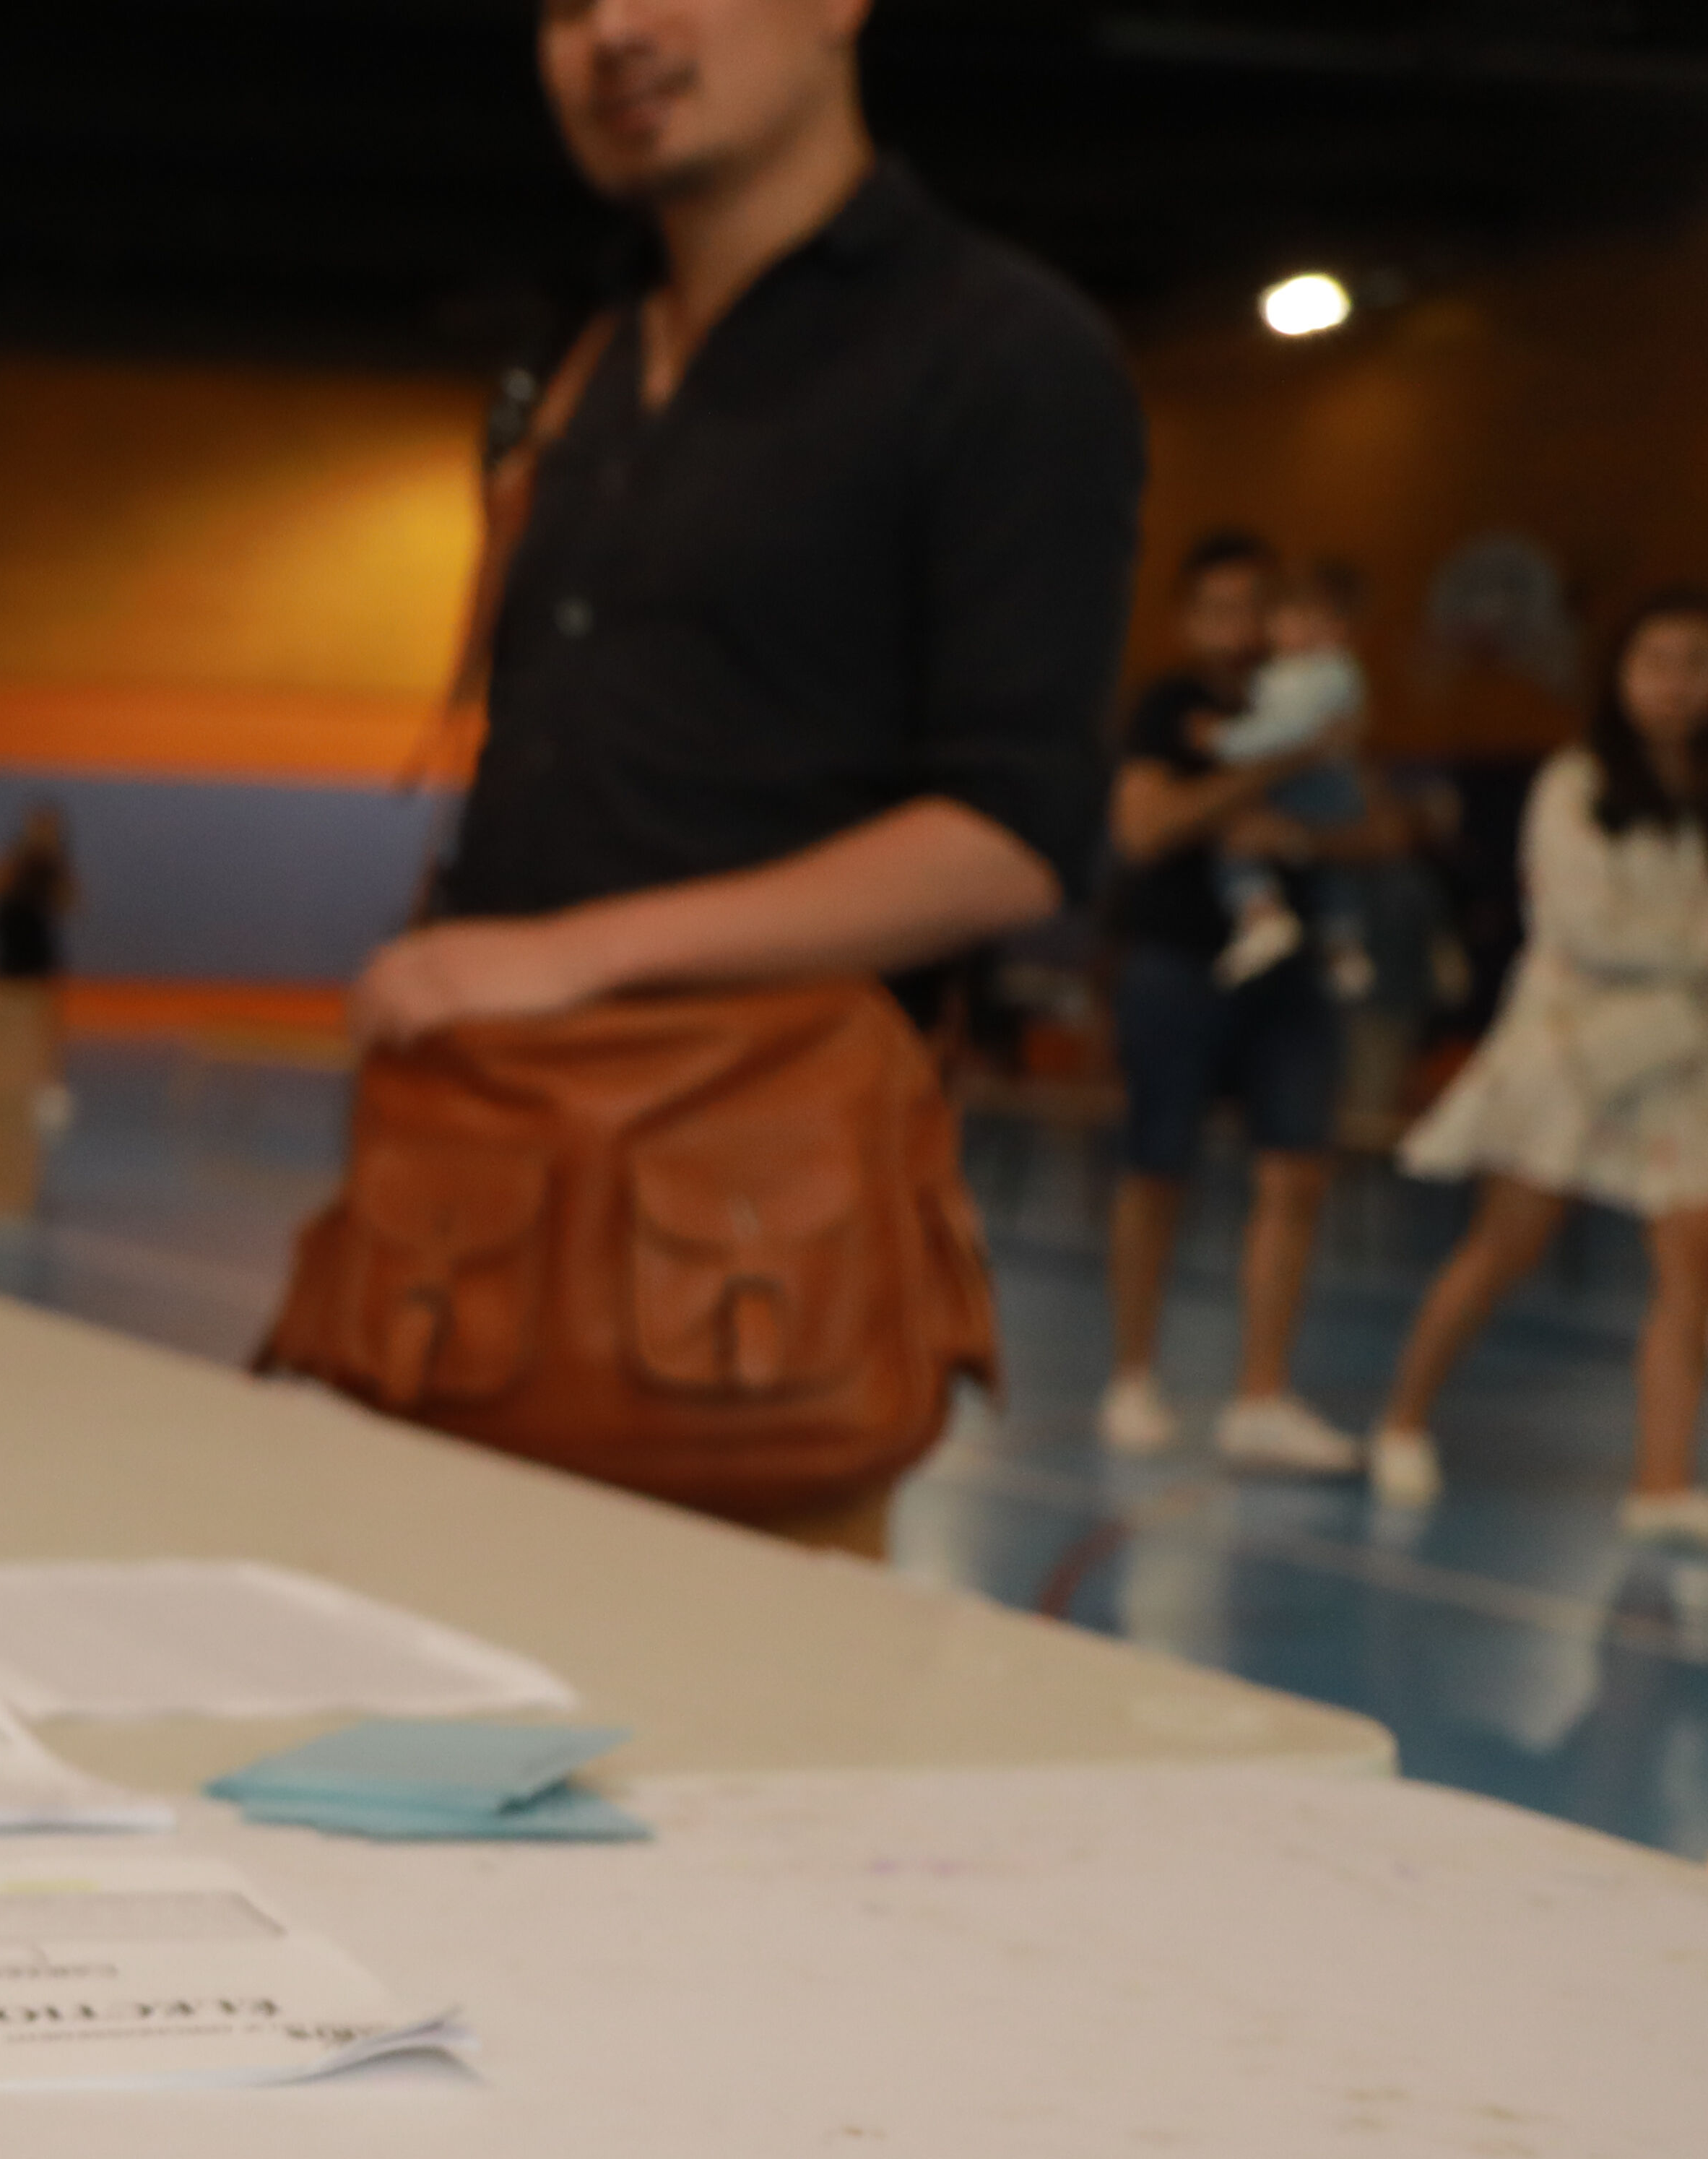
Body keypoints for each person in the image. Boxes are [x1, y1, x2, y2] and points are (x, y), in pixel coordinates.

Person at [339, 0, 1145, 1556]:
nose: (614, 32)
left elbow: (1012, 836)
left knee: (749, 1758)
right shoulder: (571, 364)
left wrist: (563, 958)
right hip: (486, 1206)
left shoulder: (1003, 352)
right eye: (567, 8)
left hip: (748, 1249)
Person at [1369, 586, 1708, 1549]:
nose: (1676, 686)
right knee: (1503, 1249)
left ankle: (1662, 1484)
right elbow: (1587, 928)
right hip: (1573, 1051)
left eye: (1695, 664)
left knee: (1693, 1265)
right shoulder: (1572, 785)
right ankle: (1401, 1420)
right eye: (1656, 663)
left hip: (1691, 1057)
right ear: (1619, 677)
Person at [1104, 530, 1384, 1474]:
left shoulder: (1315, 690)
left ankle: (1260, 1394)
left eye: (1252, 610)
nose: (1237, 630)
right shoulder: (1172, 709)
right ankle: (1133, 1375)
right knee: (1158, 1171)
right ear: (1187, 622)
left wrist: (1301, 834)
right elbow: (1146, 828)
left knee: (1296, 1174)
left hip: (1294, 970)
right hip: (1181, 965)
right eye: (1215, 611)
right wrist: (1266, 771)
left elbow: (1373, 828)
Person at [1205, 564, 1377, 997]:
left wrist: (1225, 739)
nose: (1285, 630)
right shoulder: (1287, 674)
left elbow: (1289, 733)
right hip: (1315, 787)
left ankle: (1264, 915)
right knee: (1325, 874)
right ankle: (1340, 949)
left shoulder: (1323, 674)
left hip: (1316, 788)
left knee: (1238, 841)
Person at [0, 802, 76, 982]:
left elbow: (67, 899)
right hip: (16, 933)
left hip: (34, 937)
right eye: (41, 827)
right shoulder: (17, 860)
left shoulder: (52, 864)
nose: (46, 834)